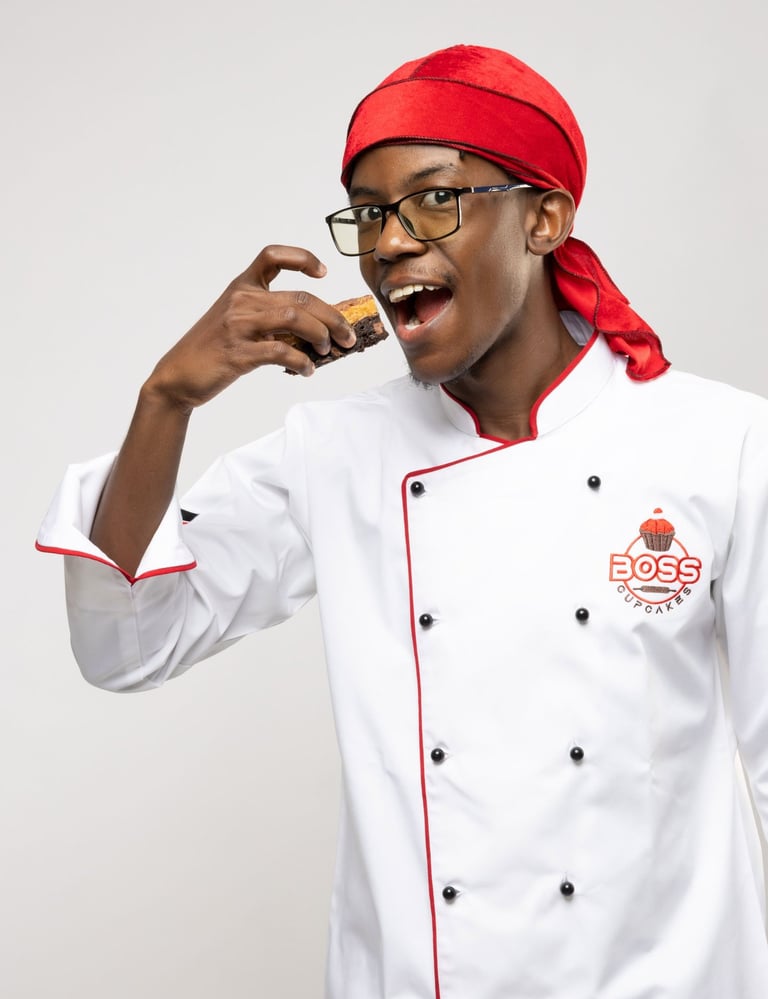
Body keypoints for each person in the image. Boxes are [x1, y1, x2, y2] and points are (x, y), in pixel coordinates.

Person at [37, 43, 768, 999]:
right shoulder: (334, 453)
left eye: (434, 199)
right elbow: (124, 644)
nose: (387, 244)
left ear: (545, 218)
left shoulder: (720, 442)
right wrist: (165, 398)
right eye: (370, 213)